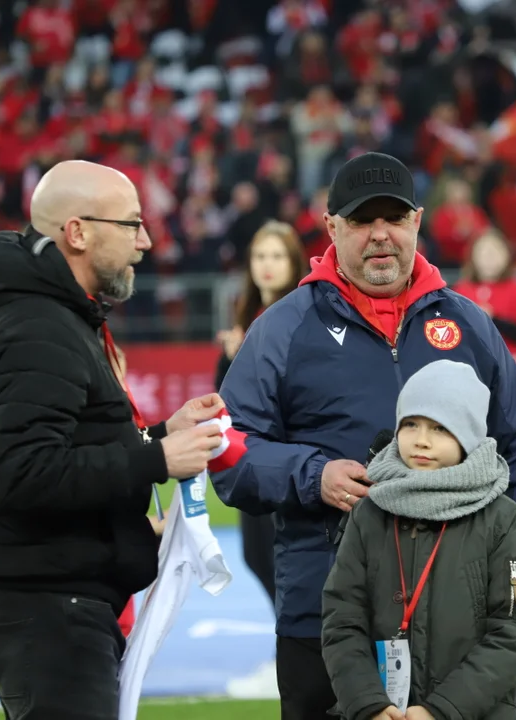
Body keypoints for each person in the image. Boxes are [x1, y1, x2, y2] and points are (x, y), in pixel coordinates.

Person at [213, 151, 516, 720]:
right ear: (332, 228)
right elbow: (229, 451)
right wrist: (313, 475)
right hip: (327, 618)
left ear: (416, 222)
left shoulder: (469, 324)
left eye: (394, 218)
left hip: (460, 621)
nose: (380, 235)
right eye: (361, 220)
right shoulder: (282, 328)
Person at [0, 159, 228, 719]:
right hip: (49, 608)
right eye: (131, 224)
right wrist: (156, 457)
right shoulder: (40, 326)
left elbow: (69, 448)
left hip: (58, 600)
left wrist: (158, 434)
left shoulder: (56, 319)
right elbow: (25, 475)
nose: (146, 241)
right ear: (77, 232)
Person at [322, 360, 516, 720]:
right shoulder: (369, 512)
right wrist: (368, 704)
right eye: (411, 424)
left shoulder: (502, 519)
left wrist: (441, 710)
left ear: (468, 436)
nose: (421, 440)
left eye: (440, 428)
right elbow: (342, 620)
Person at [214, 219, 306, 700]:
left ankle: (294, 654)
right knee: (257, 553)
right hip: (248, 460)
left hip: (291, 458)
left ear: (293, 262)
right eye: (259, 256)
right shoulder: (242, 319)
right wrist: (233, 358)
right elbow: (224, 398)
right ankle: (290, 646)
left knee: (289, 555)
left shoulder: (307, 315)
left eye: (276, 255)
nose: (267, 265)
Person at [452, 229, 516, 371]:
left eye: (496, 251)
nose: (489, 257)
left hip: (514, 362)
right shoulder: (462, 289)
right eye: (483, 252)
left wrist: (493, 319)